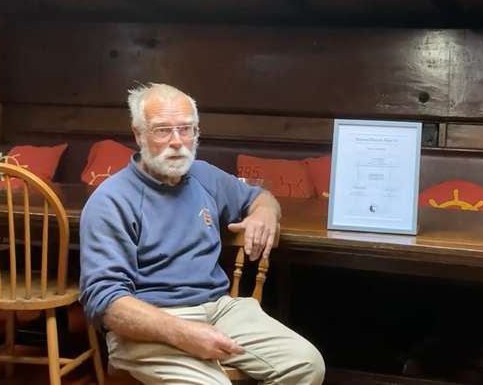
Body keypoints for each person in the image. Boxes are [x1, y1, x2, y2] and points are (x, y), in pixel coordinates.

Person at [79, 83, 325, 385]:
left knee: (306, 365)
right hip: (150, 322)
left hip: (219, 309)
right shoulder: (111, 200)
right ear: (138, 135)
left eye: (186, 129)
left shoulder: (204, 175)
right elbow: (105, 302)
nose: (177, 142)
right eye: (162, 130)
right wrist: (183, 333)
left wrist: (264, 212)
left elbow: (260, 197)